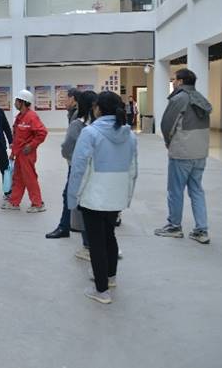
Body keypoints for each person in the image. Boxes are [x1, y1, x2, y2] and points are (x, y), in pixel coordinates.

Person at [67, 91, 138, 304]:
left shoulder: (90, 133)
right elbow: (133, 170)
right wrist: (127, 195)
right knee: (109, 236)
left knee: (96, 242)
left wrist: (73, 197)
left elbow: (79, 169)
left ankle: (101, 290)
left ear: (98, 109)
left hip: (94, 196)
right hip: (116, 195)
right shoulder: (130, 135)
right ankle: (110, 277)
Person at [154, 68, 212, 245]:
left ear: (180, 82)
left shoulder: (179, 98)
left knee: (175, 190)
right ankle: (201, 230)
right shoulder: (201, 98)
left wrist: (168, 142)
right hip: (200, 153)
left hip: (182, 152)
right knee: (197, 190)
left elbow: (166, 124)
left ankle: (174, 227)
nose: (172, 82)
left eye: (174, 79)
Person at [46, 90, 97, 241]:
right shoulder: (96, 121)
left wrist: (72, 159)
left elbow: (68, 146)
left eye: (66, 98)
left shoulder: (78, 121)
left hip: (78, 165)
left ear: (75, 100)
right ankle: (70, 226)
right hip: (93, 166)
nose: (64, 101)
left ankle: (68, 229)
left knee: (72, 195)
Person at [1, 90, 48, 213]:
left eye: (17, 101)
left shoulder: (31, 116)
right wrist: (13, 154)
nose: (15, 103)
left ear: (23, 102)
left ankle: (38, 204)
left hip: (27, 155)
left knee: (30, 178)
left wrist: (31, 146)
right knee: (18, 178)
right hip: (19, 154)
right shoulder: (20, 117)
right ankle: (14, 202)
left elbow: (42, 133)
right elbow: (18, 138)